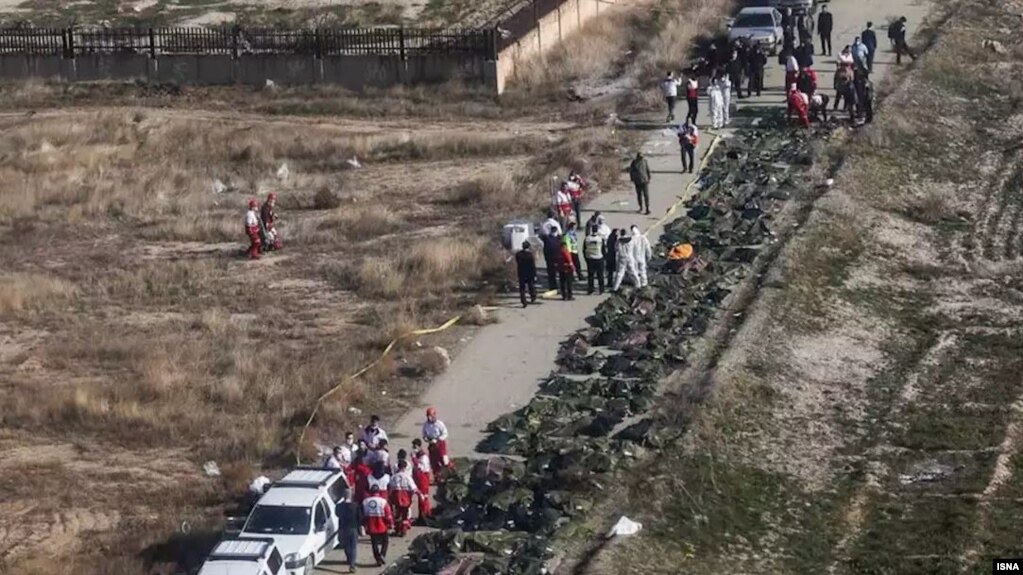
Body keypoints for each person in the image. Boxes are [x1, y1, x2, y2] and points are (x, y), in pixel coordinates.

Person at [362, 485, 394, 567]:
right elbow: (388, 515)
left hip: (371, 526)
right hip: (382, 525)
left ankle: (377, 558)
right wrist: (391, 524)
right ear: (378, 491)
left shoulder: (365, 501)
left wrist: (364, 525)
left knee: (374, 543)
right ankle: (382, 555)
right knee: (385, 541)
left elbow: (364, 514)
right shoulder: (383, 501)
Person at [388, 460, 419, 537]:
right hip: (406, 497)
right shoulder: (408, 477)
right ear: (405, 467)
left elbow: (391, 488)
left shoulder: (393, 477)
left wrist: (389, 498)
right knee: (405, 514)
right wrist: (420, 495)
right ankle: (403, 530)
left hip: (396, 497)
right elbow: (414, 488)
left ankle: (397, 530)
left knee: (397, 514)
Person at [335, 495, 360, 574]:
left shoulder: (339, 506)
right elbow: (360, 517)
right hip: (353, 528)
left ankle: (349, 558)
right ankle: (352, 564)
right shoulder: (355, 506)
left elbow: (337, 514)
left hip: (343, 528)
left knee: (346, 545)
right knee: (353, 546)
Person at [410, 439, 431, 521]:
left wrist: (414, 458)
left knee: (423, 497)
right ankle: (422, 515)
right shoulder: (419, 455)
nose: (413, 448)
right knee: (420, 498)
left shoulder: (423, 457)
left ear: (419, 446)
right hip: (419, 478)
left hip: (423, 479)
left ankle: (424, 515)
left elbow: (420, 467)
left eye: (415, 446)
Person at [583, 225, 606, 295]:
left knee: (590, 275)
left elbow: (584, 250)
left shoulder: (587, 238)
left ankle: (590, 289)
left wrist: (586, 258)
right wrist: (603, 258)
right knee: (600, 275)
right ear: (597, 230)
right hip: (599, 258)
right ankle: (601, 289)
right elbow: (603, 250)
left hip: (590, 258)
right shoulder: (600, 239)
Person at [515, 240, 537, 308]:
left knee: (522, 288)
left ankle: (523, 301)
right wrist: (535, 274)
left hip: (521, 273)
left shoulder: (518, 254)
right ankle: (533, 297)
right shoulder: (530, 255)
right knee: (531, 286)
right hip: (529, 273)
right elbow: (533, 266)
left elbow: (517, 261)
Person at [559, 235, 576, 300]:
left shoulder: (558, 251)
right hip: (567, 269)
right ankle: (569, 295)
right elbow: (569, 260)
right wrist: (573, 267)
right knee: (569, 283)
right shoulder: (565, 251)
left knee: (562, 283)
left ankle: (564, 295)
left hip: (561, 269)